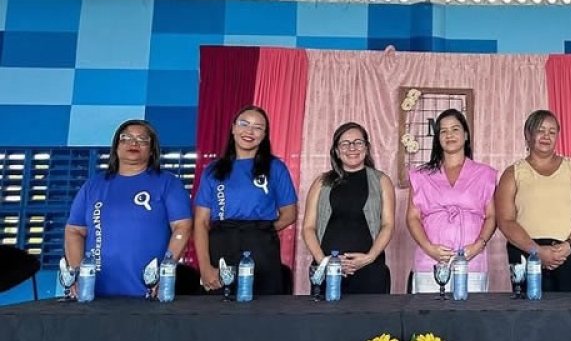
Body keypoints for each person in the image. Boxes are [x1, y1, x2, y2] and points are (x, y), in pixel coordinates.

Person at [64, 120, 192, 297]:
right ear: (116, 146)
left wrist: (165, 273)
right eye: (126, 138)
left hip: (149, 291)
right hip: (95, 292)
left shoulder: (168, 183)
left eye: (142, 139)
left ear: (152, 149)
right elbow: (75, 231)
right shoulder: (93, 185)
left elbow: (182, 227)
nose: (134, 143)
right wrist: (79, 274)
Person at [193, 106, 298, 295]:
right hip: (221, 244)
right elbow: (200, 222)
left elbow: (290, 214)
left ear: (264, 135)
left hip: (262, 248)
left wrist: (261, 231)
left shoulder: (275, 167)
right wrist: (205, 267)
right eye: (244, 124)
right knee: (219, 311)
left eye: (258, 127)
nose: (249, 131)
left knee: (264, 311)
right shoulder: (213, 170)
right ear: (233, 128)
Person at [495, 110, 571, 292]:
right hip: (527, 253)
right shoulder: (513, 173)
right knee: (531, 316)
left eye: (552, 131)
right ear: (528, 134)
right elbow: (506, 221)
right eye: (540, 130)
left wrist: (568, 247)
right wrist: (537, 252)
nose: (546, 136)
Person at [406, 109, 497, 293]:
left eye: (455, 129)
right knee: (428, 318)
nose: (449, 135)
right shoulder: (420, 175)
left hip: (472, 261)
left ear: (465, 135)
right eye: (443, 131)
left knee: (470, 319)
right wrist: (428, 248)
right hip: (430, 261)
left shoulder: (485, 174)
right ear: (437, 138)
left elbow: (491, 216)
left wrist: (478, 246)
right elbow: (412, 218)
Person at [301, 122, 395, 294]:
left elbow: (387, 225)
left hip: (370, 270)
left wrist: (370, 257)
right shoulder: (321, 182)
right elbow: (308, 228)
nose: (352, 148)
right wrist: (324, 262)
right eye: (345, 143)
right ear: (336, 151)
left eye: (358, 142)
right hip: (328, 271)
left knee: (371, 321)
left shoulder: (382, 181)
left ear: (366, 147)